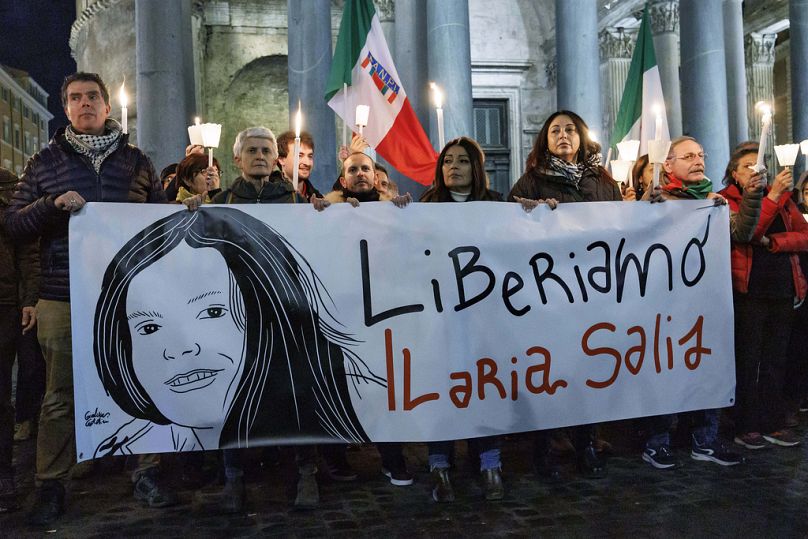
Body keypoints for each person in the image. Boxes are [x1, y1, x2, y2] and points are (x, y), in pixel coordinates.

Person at [2, 72, 173, 524]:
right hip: (64, 295)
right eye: (75, 98)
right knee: (60, 392)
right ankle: (51, 485)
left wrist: (185, 208)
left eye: (92, 97)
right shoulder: (43, 163)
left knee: (142, 379)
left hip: (129, 293)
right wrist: (51, 205)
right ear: (66, 109)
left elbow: (161, 223)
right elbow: (15, 224)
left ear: (106, 106)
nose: (85, 104)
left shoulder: (137, 162)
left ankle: (146, 471)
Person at [636, 136, 763, 470]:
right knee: (665, 368)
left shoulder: (713, 201)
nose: (698, 161)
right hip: (664, 305)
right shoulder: (657, 199)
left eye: (701, 155)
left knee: (709, 366)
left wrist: (750, 198)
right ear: (670, 164)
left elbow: (743, 233)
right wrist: (646, 207)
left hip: (706, 304)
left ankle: (705, 439)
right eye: (688, 155)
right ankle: (658, 440)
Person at [508, 110, 620, 479]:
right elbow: (506, 226)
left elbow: (624, 226)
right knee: (550, 371)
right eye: (555, 130)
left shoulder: (603, 181)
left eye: (570, 129)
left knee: (587, 367)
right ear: (545, 140)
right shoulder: (531, 181)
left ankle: (587, 441)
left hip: (593, 289)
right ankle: (546, 448)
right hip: (549, 293)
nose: (563, 135)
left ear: (582, 136)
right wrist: (528, 213)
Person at [310, 152, 414, 487]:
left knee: (385, 385)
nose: (359, 173)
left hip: (382, 313)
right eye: (352, 169)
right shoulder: (325, 211)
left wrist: (408, 216)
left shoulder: (392, 211)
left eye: (364, 168)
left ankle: (392, 457)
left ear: (375, 175)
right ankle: (336, 458)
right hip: (339, 310)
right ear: (342, 180)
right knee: (338, 383)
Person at [417, 137, 504, 502]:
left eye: (463, 161)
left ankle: (490, 463)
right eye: (447, 161)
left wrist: (536, 213)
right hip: (440, 320)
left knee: (484, 387)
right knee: (442, 390)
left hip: (485, 320)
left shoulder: (498, 206)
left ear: (476, 168)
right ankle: (440, 465)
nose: (454, 166)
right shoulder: (425, 206)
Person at [718, 143, 807, 449]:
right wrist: (768, 198)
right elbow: (748, 231)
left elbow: (804, 236)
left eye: (760, 168)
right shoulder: (726, 200)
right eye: (748, 167)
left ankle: (772, 421)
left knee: (774, 358)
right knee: (748, 358)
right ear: (735, 173)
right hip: (749, 290)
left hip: (782, 287)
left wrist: (774, 243)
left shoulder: (783, 198)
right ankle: (745, 423)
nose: (756, 173)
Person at [0, 168, 39, 513]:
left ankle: (3, 473)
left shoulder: (8, 185)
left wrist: (29, 299)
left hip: (4, 306)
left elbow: (27, 251)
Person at [211, 127, 298, 205]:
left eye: (266, 151)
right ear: (238, 161)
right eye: (252, 151)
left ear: (274, 162)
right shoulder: (221, 201)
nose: (260, 157)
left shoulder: (295, 201)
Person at [276, 130, 322, 200]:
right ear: (281, 160)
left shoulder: (318, 199)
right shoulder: (268, 197)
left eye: (310, 156)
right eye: (299, 155)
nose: (307, 163)